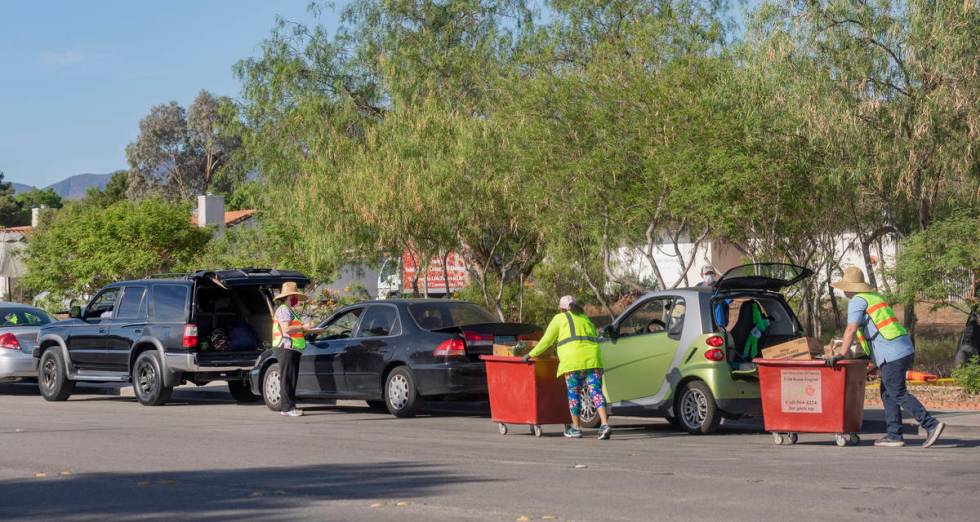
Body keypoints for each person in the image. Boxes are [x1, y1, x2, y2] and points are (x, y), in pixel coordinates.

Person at [830, 266, 944, 448]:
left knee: (896, 391)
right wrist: (845, 344)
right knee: (887, 392)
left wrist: (841, 354)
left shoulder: (857, 301)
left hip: (892, 352)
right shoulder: (874, 297)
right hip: (901, 347)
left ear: (848, 287)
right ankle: (894, 435)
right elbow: (873, 330)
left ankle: (931, 424)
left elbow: (851, 328)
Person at [524, 295, 612, 440]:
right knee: (596, 391)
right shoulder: (585, 318)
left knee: (574, 393)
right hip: (593, 359)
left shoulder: (559, 318)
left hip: (573, 361)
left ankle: (576, 428)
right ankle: (604, 424)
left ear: (561, 309)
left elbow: (546, 341)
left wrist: (531, 354)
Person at [272, 281, 313, 417]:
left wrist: (306, 330)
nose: (297, 300)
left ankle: (289, 406)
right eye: (295, 297)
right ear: (290, 297)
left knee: (290, 378)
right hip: (286, 347)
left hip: (292, 348)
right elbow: (286, 329)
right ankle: (287, 407)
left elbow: (294, 329)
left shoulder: (290, 311)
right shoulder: (284, 310)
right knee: (288, 378)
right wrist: (303, 327)